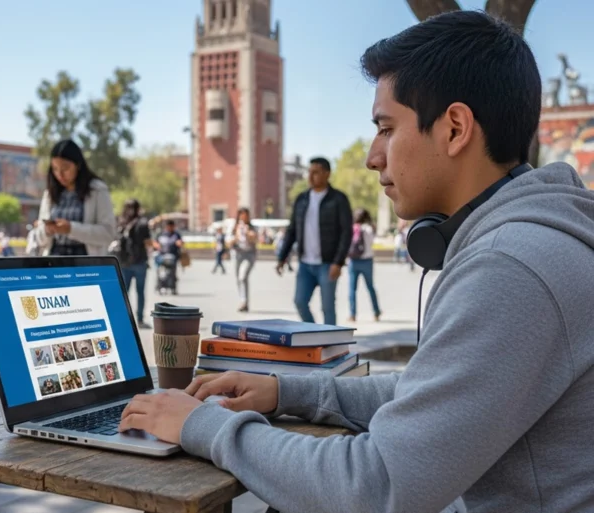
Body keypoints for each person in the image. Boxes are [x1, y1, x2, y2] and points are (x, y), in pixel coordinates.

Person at [116, 11, 594, 513]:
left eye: (386, 128)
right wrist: (285, 393)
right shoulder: (529, 243)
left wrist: (202, 426)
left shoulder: (509, 267)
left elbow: (376, 485)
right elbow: (425, 394)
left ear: (455, 129)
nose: (372, 156)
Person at [276, 157, 353, 326]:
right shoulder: (301, 199)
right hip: (305, 264)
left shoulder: (338, 199)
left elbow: (346, 233)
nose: (310, 176)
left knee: (327, 307)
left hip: (328, 264)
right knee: (300, 302)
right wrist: (282, 257)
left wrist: (338, 262)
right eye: (309, 172)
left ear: (327, 174)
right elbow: (292, 230)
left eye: (315, 172)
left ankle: (330, 339)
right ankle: (314, 332)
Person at [35, 139, 117, 256]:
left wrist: (71, 229)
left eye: (65, 169)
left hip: (85, 260)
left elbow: (108, 234)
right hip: (54, 259)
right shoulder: (50, 193)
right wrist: (47, 230)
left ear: (78, 165)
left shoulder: (97, 189)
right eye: (55, 169)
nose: (60, 174)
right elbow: (39, 238)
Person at [117, 199, 152, 328]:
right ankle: (140, 320)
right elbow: (148, 243)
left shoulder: (122, 222)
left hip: (124, 262)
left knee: (124, 292)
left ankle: (123, 319)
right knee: (140, 292)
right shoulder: (142, 223)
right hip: (140, 262)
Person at [347, 208, 381, 322]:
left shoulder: (352, 228)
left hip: (353, 261)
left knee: (352, 289)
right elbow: (372, 242)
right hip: (367, 261)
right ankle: (376, 312)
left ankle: (352, 314)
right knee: (370, 287)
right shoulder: (369, 228)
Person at [230, 207, 256, 312]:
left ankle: (244, 302)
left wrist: (247, 232)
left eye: (246, 215)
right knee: (238, 279)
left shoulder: (251, 227)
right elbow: (228, 243)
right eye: (242, 215)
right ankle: (243, 301)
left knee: (243, 276)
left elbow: (254, 238)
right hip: (237, 254)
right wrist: (236, 236)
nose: (244, 217)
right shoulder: (234, 227)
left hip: (249, 255)